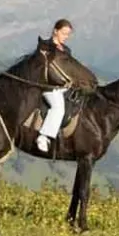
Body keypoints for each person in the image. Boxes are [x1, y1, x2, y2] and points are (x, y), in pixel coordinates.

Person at [37, 18, 75, 153]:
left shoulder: (67, 50)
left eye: (68, 34)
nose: (66, 37)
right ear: (55, 31)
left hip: (65, 87)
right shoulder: (45, 46)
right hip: (49, 86)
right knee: (58, 107)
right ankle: (43, 136)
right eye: (64, 33)